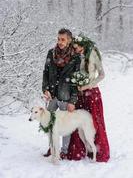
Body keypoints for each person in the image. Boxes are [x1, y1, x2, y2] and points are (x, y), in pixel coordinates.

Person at [67, 35, 110, 162]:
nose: (77, 49)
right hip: (79, 95)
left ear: (84, 45)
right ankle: (78, 151)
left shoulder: (93, 54)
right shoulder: (76, 56)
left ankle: (98, 151)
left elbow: (102, 75)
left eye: (78, 47)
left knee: (95, 122)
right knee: (78, 121)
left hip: (92, 94)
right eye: (75, 48)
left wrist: (87, 85)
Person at [42, 28, 81, 158]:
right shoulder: (51, 53)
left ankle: (64, 151)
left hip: (66, 96)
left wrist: (73, 100)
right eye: (58, 39)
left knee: (65, 125)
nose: (60, 41)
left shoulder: (75, 57)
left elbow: (76, 80)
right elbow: (46, 73)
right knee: (49, 123)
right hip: (52, 95)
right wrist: (45, 89)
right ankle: (52, 148)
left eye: (63, 39)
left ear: (69, 40)